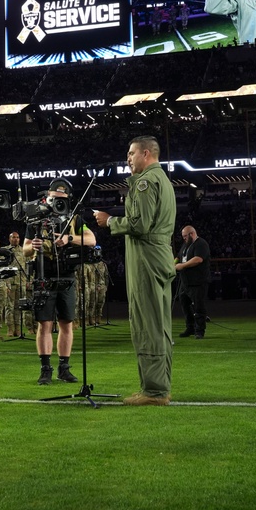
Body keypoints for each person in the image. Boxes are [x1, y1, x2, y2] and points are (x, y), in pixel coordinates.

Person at [95, 136, 176, 406]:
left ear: (145, 153)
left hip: (146, 259)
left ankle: (154, 392)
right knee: (159, 325)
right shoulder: (162, 180)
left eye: (131, 153)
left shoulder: (144, 182)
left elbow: (139, 225)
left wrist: (110, 221)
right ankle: (159, 387)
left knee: (146, 324)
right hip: (159, 256)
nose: (128, 158)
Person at [24, 178, 96, 385]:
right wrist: (34, 246)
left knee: (67, 323)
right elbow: (25, 249)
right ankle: (45, 369)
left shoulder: (74, 219)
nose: (58, 202)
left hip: (67, 274)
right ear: (48, 196)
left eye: (62, 199)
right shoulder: (35, 218)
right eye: (55, 198)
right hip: (43, 275)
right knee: (44, 324)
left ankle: (64, 368)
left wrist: (69, 239)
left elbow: (92, 240)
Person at [175, 225, 211, 339]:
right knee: (185, 305)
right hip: (185, 283)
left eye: (185, 236)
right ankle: (190, 327)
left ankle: (200, 330)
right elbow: (179, 256)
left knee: (198, 306)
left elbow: (198, 259)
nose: (184, 238)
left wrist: (182, 266)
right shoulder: (186, 245)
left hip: (197, 282)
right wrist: (173, 264)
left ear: (192, 234)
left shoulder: (201, 244)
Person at [4, 231, 32, 337]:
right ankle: (10, 329)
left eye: (17, 237)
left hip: (22, 281)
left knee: (19, 307)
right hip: (10, 282)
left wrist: (29, 280)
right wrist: (5, 283)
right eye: (13, 237)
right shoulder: (5, 251)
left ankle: (18, 329)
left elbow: (28, 267)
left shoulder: (23, 251)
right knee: (9, 307)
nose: (16, 239)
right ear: (9, 239)